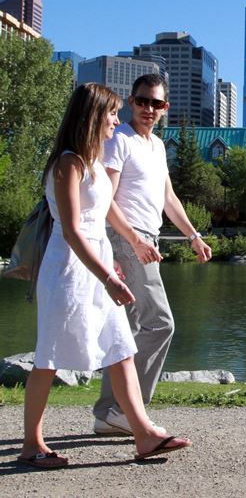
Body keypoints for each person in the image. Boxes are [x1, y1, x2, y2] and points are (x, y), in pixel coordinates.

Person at [19, 83, 190, 469]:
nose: (117, 120)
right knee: (48, 358)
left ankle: (144, 435)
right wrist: (107, 275)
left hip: (98, 264)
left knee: (121, 348)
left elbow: (106, 214)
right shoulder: (68, 163)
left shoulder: (93, 162)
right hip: (67, 270)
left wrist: (115, 259)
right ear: (93, 116)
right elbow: (72, 230)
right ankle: (32, 444)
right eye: (112, 113)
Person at [92, 74, 212, 436]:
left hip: (146, 238)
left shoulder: (157, 146)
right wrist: (132, 242)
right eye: (142, 101)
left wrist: (193, 235)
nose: (148, 109)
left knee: (126, 332)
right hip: (127, 239)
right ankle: (129, 411)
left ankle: (108, 414)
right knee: (160, 324)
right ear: (131, 102)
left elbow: (168, 199)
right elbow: (106, 199)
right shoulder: (120, 141)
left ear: (165, 108)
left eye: (156, 104)